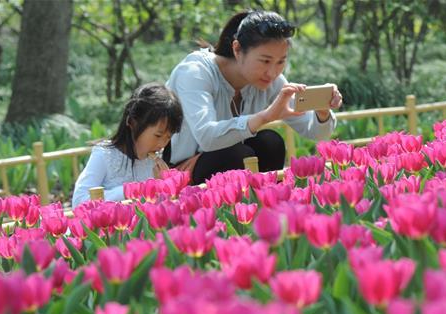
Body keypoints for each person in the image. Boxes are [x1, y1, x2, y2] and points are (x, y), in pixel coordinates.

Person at [165, 10, 342, 184]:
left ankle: (265, 204)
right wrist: (265, 116)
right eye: (265, 61)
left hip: (219, 157)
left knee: (270, 142)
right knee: (238, 156)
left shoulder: (272, 81)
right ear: (237, 49)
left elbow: (316, 132)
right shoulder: (195, 72)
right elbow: (207, 136)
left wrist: (322, 110)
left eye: (281, 61)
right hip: (177, 171)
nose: (272, 72)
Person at [72, 83, 183, 207]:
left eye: (168, 137)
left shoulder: (155, 164)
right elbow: (79, 201)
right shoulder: (104, 155)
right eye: (157, 135)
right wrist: (128, 191)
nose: (162, 144)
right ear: (133, 122)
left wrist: (163, 185)